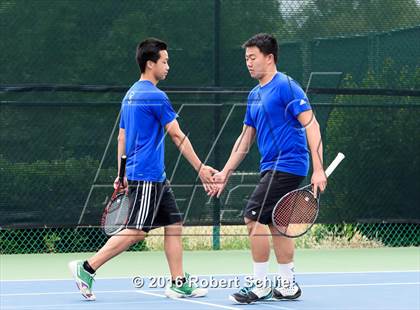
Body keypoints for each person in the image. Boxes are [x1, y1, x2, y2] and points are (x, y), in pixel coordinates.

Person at [69, 38, 217, 301]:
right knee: (137, 231)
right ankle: (87, 267)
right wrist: (200, 168)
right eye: (164, 61)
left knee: (174, 223)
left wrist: (121, 173)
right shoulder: (156, 96)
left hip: (149, 175)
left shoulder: (130, 95)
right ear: (151, 64)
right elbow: (177, 135)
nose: (168, 66)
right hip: (147, 175)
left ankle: (178, 282)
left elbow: (121, 138)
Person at [210, 33, 327, 304]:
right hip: (270, 166)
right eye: (246, 58)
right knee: (277, 223)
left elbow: (312, 125)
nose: (248, 63)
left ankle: (260, 284)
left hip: (289, 163)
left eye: (253, 58)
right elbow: (245, 140)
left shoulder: (287, 86)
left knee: (252, 217)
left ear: (269, 58)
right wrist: (225, 172)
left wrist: (318, 168)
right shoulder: (254, 95)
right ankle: (287, 286)